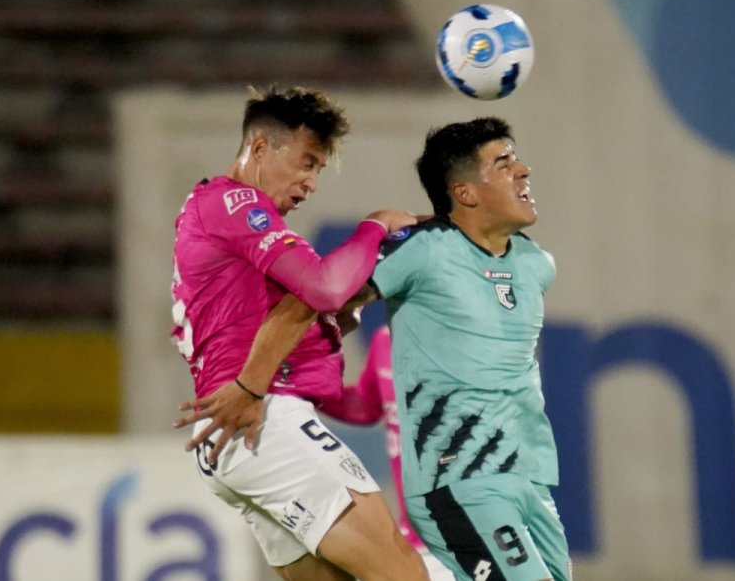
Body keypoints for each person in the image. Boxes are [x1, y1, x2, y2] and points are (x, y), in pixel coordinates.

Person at [167, 85, 429, 581]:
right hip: (265, 421)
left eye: (318, 169)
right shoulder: (237, 202)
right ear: (261, 147)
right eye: (307, 162)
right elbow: (324, 289)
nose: (312, 182)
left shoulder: (207, 210)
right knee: (402, 573)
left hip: (238, 436)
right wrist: (372, 227)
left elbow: (318, 301)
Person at [368, 117, 572, 580]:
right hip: (458, 479)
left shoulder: (536, 264)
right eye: (503, 163)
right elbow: (330, 297)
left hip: (529, 478)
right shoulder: (422, 251)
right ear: (465, 193)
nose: (524, 170)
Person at [318, 325, 457, 581]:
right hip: (414, 545)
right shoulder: (386, 338)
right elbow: (366, 405)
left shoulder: (471, 342)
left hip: (468, 543)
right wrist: (304, 388)